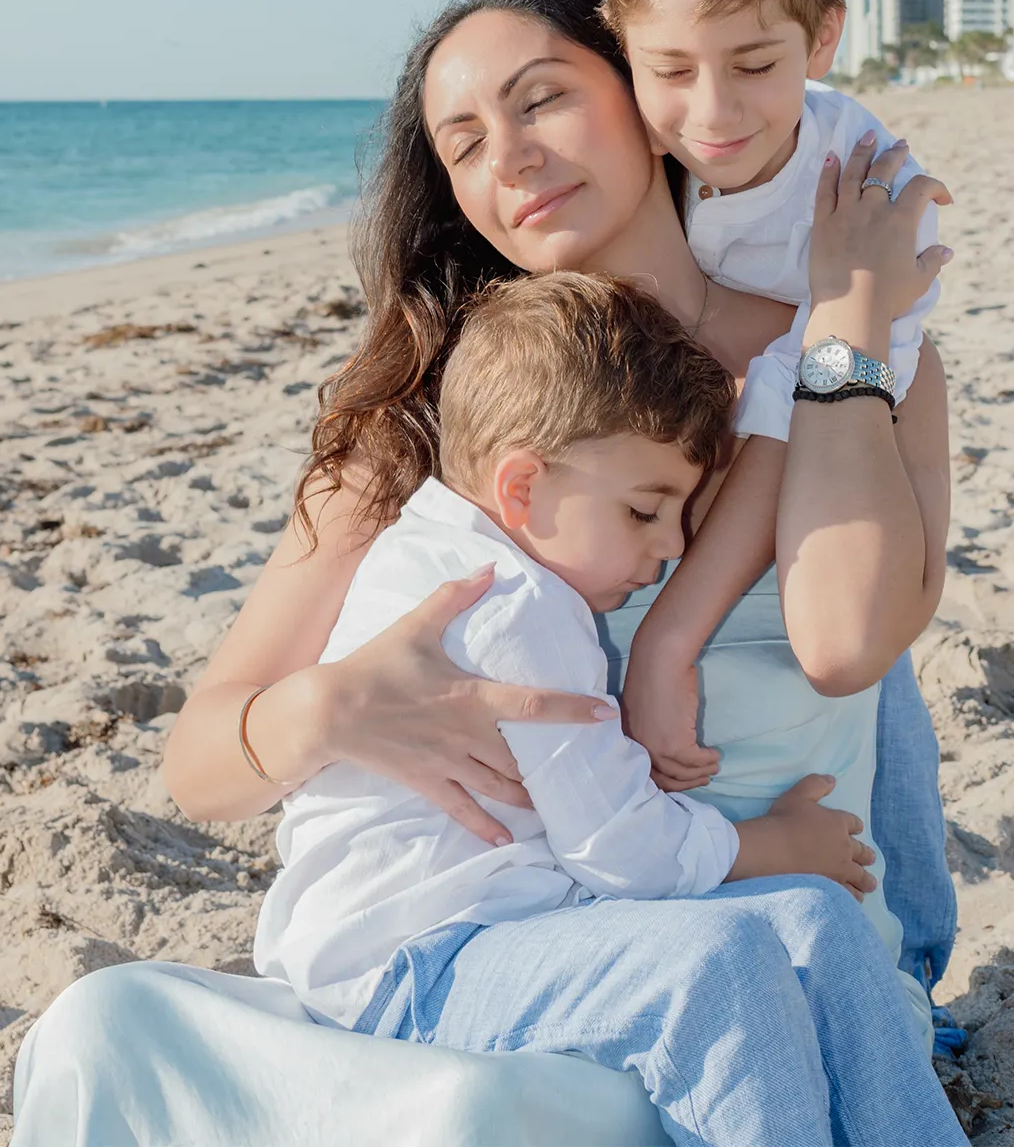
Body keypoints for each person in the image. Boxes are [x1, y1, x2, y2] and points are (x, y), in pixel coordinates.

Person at [12, 0, 959, 1147]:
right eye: (464, 142)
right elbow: (203, 767)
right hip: (523, 954)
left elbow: (849, 644)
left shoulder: (841, 354)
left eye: (542, 101)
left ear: (641, 94)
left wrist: (843, 330)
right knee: (106, 1028)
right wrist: (329, 709)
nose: (509, 157)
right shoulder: (433, 427)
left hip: (788, 961)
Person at [256, 270, 965, 1147]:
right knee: (719, 961)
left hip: (514, 929)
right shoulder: (511, 604)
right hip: (414, 967)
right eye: (644, 511)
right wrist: (770, 846)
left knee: (821, 923)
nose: (669, 548)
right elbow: (623, 852)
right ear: (521, 487)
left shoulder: (474, 555)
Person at [596, 0, 959, 1012]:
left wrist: (667, 642)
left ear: (822, 36)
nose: (710, 114)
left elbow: (787, 418)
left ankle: (908, 954)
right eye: (668, 70)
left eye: (753, 63)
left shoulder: (854, 187)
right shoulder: (636, 152)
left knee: (862, 659)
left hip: (826, 453)